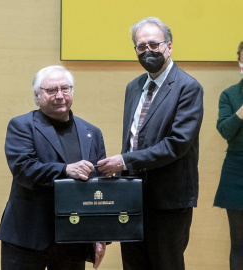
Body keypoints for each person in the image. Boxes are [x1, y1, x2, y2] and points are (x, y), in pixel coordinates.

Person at [97, 17, 204, 270]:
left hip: (168, 199)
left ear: (169, 46)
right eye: (141, 46)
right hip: (131, 195)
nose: (148, 51)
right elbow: (132, 139)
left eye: (154, 44)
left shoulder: (188, 87)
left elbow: (178, 144)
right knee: (133, 264)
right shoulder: (133, 87)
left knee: (166, 264)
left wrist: (125, 161)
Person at [0, 65, 106, 270]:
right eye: (51, 90)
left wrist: (99, 236)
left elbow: (98, 188)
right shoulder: (21, 125)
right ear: (37, 96)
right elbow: (23, 170)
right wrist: (65, 170)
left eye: (65, 88)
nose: (60, 95)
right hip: (27, 236)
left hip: (73, 238)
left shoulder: (92, 132)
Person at [213, 41, 243, 270]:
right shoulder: (229, 94)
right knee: (239, 243)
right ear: (239, 62)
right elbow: (225, 130)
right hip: (236, 169)